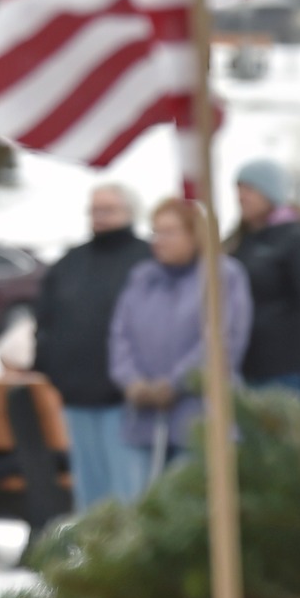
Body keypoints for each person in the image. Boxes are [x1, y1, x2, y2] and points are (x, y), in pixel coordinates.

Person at [109, 198, 251, 483]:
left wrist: (174, 383)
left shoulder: (222, 275)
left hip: (201, 418)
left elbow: (222, 339)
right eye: (155, 232)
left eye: (169, 232)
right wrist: (133, 382)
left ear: (195, 235)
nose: (159, 241)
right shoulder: (142, 278)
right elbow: (119, 335)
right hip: (146, 419)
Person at [34, 183, 154, 510]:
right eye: (95, 210)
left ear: (130, 213)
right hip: (76, 395)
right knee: (89, 495)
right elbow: (44, 319)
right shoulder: (71, 262)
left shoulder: (146, 260)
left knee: (129, 493)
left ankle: (129, 560)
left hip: (126, 399)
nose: (99, 217)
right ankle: (95, 558)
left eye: (108, 210)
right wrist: (51, 366)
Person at [225, 159, 300, 394]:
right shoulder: (239, 240)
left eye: (249, 189)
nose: (241, 197)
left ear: (269, 193)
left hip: (285, 366)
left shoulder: (294, 238)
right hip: (245, 364)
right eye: (239, 190)